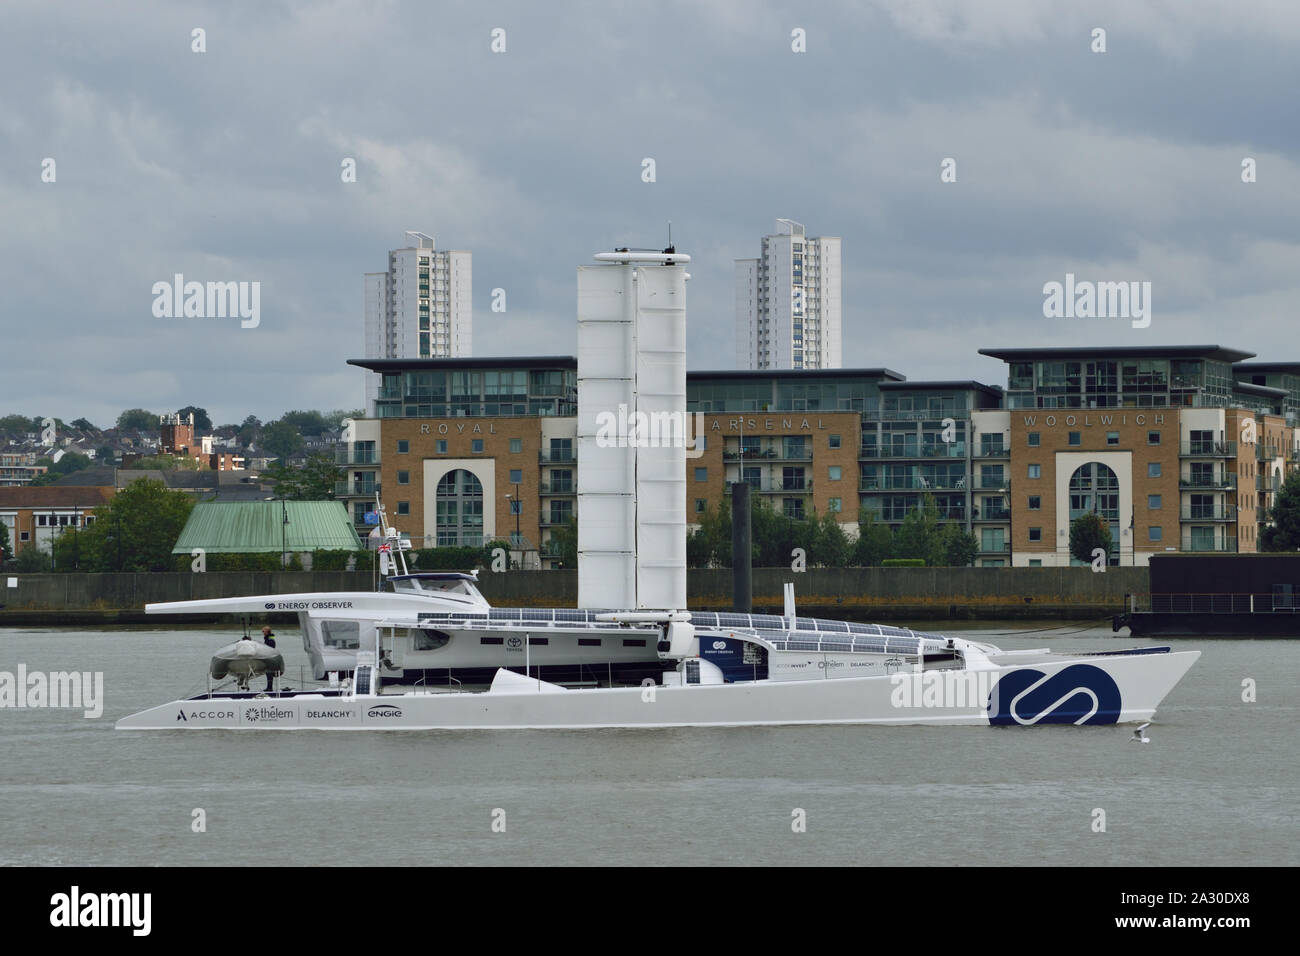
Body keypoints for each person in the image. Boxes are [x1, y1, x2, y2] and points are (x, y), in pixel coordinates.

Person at [261, 625, 277, 692]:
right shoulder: (268, 639)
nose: (262, 632)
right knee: (268, 673)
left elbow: (269, 648)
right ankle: (269, 687)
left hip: (270, 659)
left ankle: (269, 688)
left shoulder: (270, 640)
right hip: (268, 658)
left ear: (267, 631)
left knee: (269, 673)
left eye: (263, 631)